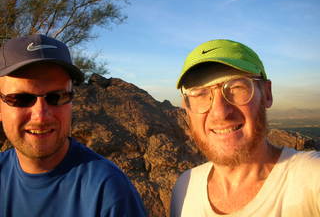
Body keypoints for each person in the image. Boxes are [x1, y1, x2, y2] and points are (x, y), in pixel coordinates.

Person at [0, 34, 146, 216]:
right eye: (21, 98)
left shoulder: (107, 191)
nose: (40, 115)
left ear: (71, 102)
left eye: (57, 97)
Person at [170, 39, 320, 217]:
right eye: (201, 94)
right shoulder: (184, 189)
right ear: (186, 108)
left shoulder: (312, 179)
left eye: (236, 87)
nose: (220, 112)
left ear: (267, 94)